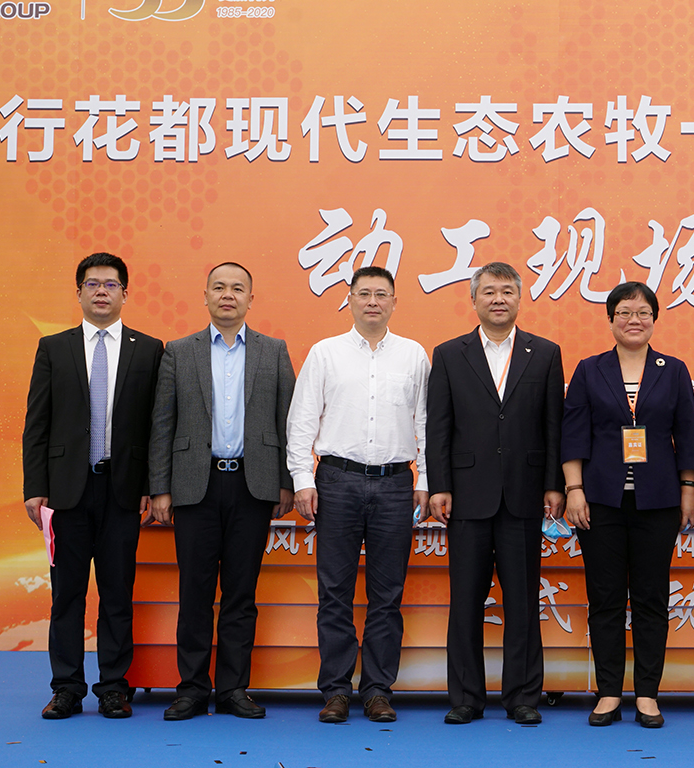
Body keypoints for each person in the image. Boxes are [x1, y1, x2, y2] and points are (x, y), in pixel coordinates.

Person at [148, 262, 296, 721]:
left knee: (240, 593)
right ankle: (192, 689)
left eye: (237, 288)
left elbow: (289, 420)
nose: (228, 295)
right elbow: (162, 423)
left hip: (253, 485)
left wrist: (287, 481)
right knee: (194, 591)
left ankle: (233, 688)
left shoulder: (274, 351)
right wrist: (160, 487)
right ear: (206, 296)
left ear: (251, 299)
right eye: (219, 287)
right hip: (195, 485)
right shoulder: (178, 352)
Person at [22, 252, 164, 719]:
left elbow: (156, 426)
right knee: (66, 594)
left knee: (117, 593)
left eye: (110, 284)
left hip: (123, 490)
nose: (101, 291)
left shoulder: (149, 350)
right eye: (92, 284)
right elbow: (37, 424)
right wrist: (34, 486)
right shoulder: (53, 348)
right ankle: (66, 687)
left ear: (126, 293)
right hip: (66, 491)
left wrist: (151, 485)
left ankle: (113, 688)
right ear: (79, 292)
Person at [286, 266, 430, 724]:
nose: (372, 301)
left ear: (394, 302)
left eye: (381, 294)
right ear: (349, 300)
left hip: (395, 484)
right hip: (336, 481)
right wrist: (302, 479)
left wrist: (424, 480)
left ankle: (378, 691)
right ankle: (335, 690)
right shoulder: (325, 353)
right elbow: (302, 421)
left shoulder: (413, 355)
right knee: (335, 593)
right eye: (363, 293)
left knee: (387, 595)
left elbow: (425, 423)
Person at [426, 262, 565, 725]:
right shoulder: (450, 354)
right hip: (466, 495)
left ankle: (522, 696)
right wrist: (440, 485)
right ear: (474, 299)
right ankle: (466, 697)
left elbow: (553, 425)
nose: (498, 299)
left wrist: (553, 484)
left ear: (520, 299)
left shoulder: (544, 353)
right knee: (465, 599)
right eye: (489, 291)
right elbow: (438, 426)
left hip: (525, 493)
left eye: (507, 291)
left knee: (522, 601)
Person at [561, 282, 694, 729]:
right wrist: (574, 488)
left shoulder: (673, 370)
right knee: (604, 599)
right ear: (610, 320)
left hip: (657, 501)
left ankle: (647, 694)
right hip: (600, 501)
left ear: (654, 319)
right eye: (624, 312)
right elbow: (573, 433)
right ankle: (607, 693)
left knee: (650, 599)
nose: (633, 320)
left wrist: (689, 487)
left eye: (642, 312)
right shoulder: (590, 369)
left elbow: (686, 434)